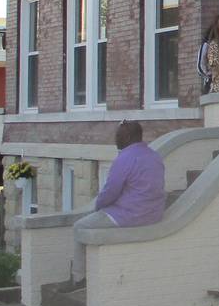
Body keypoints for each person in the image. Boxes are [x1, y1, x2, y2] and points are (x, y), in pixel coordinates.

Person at [70, 120, 165, 285]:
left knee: (79, 226)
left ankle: (78, 278)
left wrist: (98, 207)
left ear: (127, 136)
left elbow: (110, 192)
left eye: (118, 135)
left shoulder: (125, 158)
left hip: (128, 215)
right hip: (154, 214)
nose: (115, 139)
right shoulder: (154, 156)